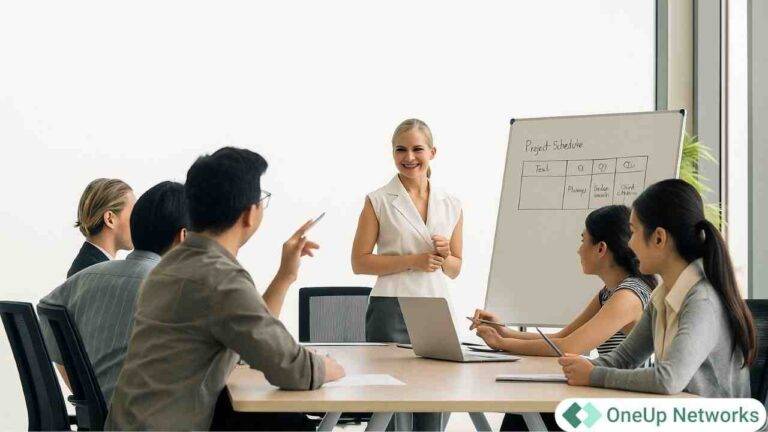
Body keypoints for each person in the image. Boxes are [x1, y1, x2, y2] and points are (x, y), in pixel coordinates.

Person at [105, 147, 345, 431]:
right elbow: (292, 369)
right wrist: (332, 368)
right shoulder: (218, 278)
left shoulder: (171, 267)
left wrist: (285, 275)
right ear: (249, 214)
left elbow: (252, 337)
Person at [559, 179, 755, 398]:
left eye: (633, 232)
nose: (629, 244)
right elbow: (623, 359)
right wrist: (576, 370)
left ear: (659, 238)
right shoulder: (662, 296)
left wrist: (594, 376)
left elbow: (668, 379)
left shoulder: (702, 300)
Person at [351, 118, 463, 431]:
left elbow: (455, 269)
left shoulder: (451, 204)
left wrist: (444, 256)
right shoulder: (378, 200)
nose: (408, 157)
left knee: (435, 399)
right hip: (391, 307)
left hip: (436, 307)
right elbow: (359, 262)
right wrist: (414, 259)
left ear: (433, 152)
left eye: (417, 149)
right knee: (390, 404)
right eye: (401, 149)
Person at [40, 181, 189, 403]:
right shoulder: (91, 273)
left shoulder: (94, 273)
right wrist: (88, 395)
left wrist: (89, 398)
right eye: (134, 212)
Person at [68, 178, 135, 277]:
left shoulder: (88, 265)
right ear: (110, 219)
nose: (138, 220)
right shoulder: (98, 274)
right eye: (134, 213)